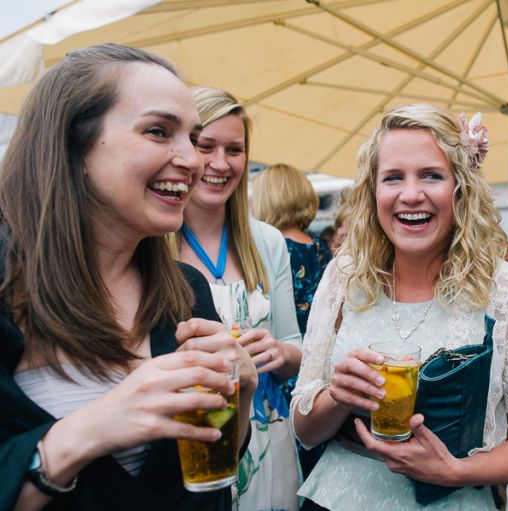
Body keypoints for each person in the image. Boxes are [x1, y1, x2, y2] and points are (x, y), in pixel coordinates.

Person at [0, 44, 258, 511]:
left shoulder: (186, 291)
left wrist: (240, 397)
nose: (193, 160)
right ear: (73, 145)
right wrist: (84, 433)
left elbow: (207, 474)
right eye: (158, 131)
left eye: (192, 138)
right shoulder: (7, 287)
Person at [290, 104, 508, 511]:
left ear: (460, 187)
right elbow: (305, 431)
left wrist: (454, 472)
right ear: (373, 192)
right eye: (393, 177)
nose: (410, 194)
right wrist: (337, 396)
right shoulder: (343, 277)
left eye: (431, 175)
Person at [174, 87, 302, 511]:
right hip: (194, 436)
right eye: (205, 146)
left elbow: (300, 347)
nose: (220, 163)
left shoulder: (266, 241)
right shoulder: (155, 242)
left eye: (235, 149)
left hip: (269, 433)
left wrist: (280, 351)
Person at [251, 163, 332, 336]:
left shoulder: (273, 249)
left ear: (267, 201)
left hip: (282, 349)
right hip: (316, 346)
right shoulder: (320, 247)